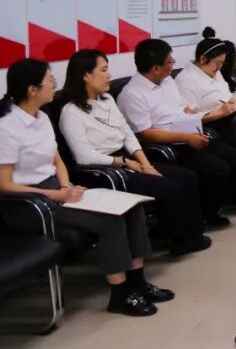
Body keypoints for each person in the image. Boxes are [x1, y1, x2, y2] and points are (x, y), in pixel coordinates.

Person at [0, 59, 173, 317]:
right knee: (110, 221)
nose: (54, 84)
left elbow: (57, 160)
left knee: (133, 207)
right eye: (50, 80)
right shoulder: (7, 127)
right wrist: (55, 194)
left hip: (58, 191)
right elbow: (4, 184)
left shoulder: (42, 117)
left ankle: (138, 282)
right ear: (32, 90)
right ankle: (120, 294)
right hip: (29, 205)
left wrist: (65, 185)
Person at [59, 50, 210, 257]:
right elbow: (84, 156)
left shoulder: (107, 100)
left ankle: (191, 237)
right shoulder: (71, 112)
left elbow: (128, 134)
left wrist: (145, 164)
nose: (109, 75)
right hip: (106, 170)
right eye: (103, 70)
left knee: (187, 176)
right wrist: (124, 162)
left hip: (128, 159)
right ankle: (173, 237)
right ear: (86, 75)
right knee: (170, 189)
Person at [117, 38, 236, 227]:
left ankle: (212, 208)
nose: (172, 65)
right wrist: (186, 137)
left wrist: (192, 116)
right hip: (168, 145)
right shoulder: (132, 94)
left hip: (188, 131)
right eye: (170, 62)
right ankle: (205, 213)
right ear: (155, 68)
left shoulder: (167, 81)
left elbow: (180, 109)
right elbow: (146, 133)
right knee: (218, 169)